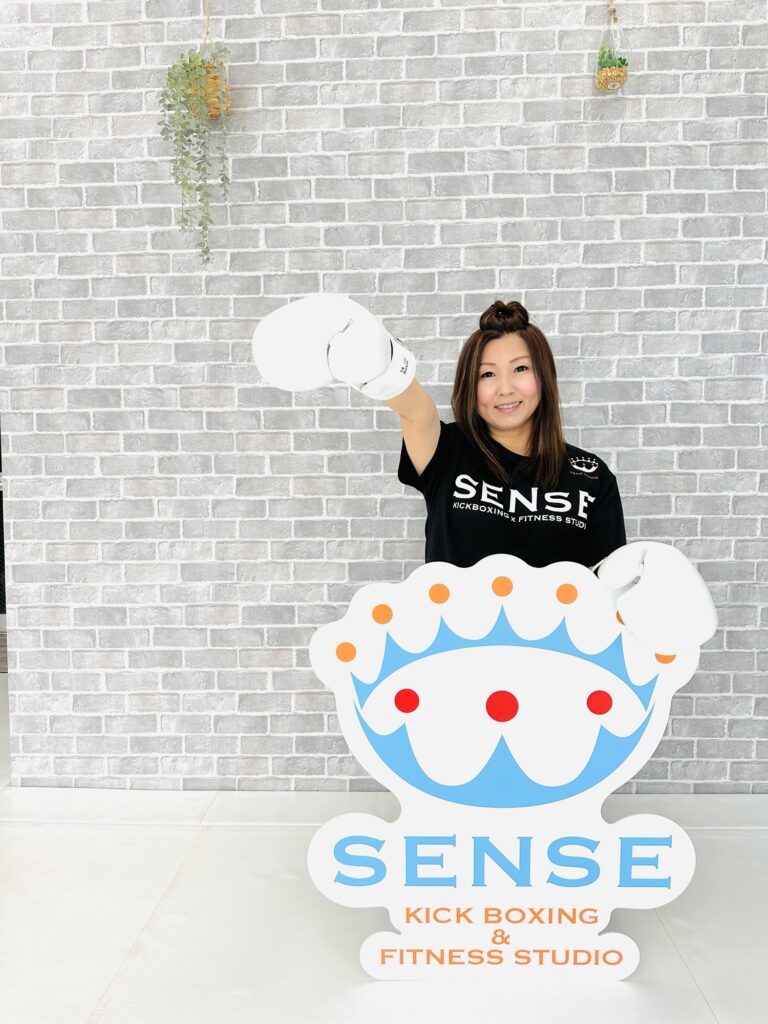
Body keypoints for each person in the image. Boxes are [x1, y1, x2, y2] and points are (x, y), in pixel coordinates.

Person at [381, 298, 626, 571]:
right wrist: (369, 352)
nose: (505, 389)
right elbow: (415, 409)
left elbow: (609, 583)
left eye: (520, 368)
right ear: (470, 385)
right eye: (487, 374)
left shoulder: (592, 476)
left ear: (544, 376)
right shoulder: (445, 450)